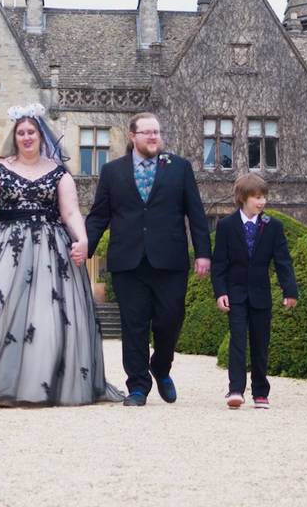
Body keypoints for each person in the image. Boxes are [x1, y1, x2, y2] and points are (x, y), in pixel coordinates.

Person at [0, 104, 121, 406]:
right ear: (14, 136)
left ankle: (41, 384)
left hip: (50, 252)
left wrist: (82, 240)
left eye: (32, 132)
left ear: (41, 135)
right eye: (21, 132)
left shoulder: (59, 174)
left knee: (47, 317)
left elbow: (70, 212)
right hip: (5, 250)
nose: (27, 137)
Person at [83, 112, 211, 406]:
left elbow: (196, 212)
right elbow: (99, 215)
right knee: (134, 324)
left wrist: (203, 252)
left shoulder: (179, 168)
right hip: (128, 261)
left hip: (170, 259)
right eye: (147, 132)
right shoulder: (113, 171)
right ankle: (138, 386)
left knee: (170, 319)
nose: (154, 137)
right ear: (133, 136)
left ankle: (161, 366)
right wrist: (84, 249)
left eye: (157, 132)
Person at [212, 174, 298, 409]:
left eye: (264, 197)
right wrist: (220, 292)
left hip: (261, 295)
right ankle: (235, 390)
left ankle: (260, 392)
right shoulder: (226, 226)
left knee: (261, 343)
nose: (262, 202)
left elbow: (283, 262)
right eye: (257, 197)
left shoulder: (273, 227)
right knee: (238, 341)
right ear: (243, 198)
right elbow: (219, 263)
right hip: (235, 295)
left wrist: (289, 291)